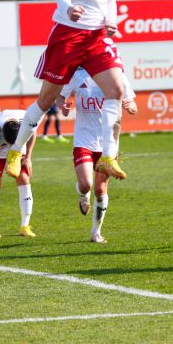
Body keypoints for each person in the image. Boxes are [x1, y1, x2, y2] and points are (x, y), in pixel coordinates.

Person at [2, 0, 128, 182]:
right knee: (46, 101)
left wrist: (111, 21)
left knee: (116, 90)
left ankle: (108, 157)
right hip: (68, 35)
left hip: (97, 37)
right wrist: (69, 8)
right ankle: (16, 151)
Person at [58, 67, 137, 243]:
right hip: (84, 140)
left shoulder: (116, 74)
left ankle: (96, 232)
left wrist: (130, 106)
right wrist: (62, 105)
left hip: (108, 144)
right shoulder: (77, 75)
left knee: (100, 190)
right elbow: (60, 95)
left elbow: (132, 104)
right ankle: (83, 195)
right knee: (86, 184)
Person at [0, 110, 37, 240]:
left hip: (18, 149)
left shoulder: (27, 119)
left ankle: (25, 226)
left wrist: (28, 157)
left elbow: (33, 132)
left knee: (24, 178)